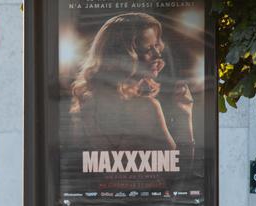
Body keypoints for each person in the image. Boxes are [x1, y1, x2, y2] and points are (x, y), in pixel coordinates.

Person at [70, 12, 194, 156]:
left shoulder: (86, 101)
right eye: (147, 48)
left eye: (156, 46)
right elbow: (179, 171)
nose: (157, 54)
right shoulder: (146, 107)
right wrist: (185, 116)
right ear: (123, 55)